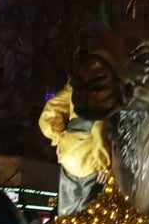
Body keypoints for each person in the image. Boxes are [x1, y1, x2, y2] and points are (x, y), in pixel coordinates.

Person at [38, 83, 110, 216]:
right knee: (87, 212)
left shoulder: (74, 87)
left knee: (67, 209)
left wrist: (59, 138)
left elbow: (49, 112)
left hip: (68, 154)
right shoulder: (103, 89)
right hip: (90, 157)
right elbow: (99, 128)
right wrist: (104, 164)